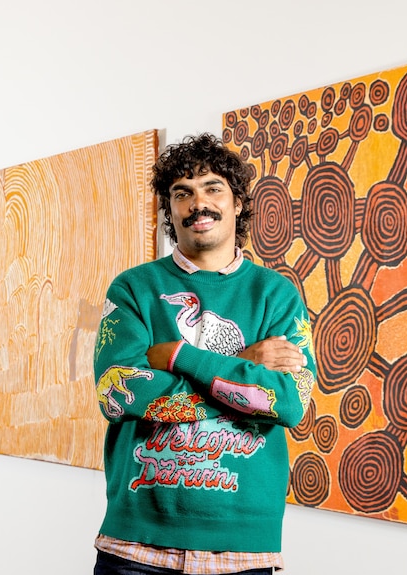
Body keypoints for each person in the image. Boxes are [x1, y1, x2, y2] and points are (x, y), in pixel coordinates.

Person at [92, 132, 317, 575]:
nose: (199, 203)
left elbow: (289, 403)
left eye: (213, 188)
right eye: (183, 193)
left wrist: (178, 357)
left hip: (243, 547)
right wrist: (246, 372)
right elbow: (117, 395)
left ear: (237, 204)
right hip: (137, 545)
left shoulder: (277, 296)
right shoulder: (133, 289)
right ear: (169, 209)